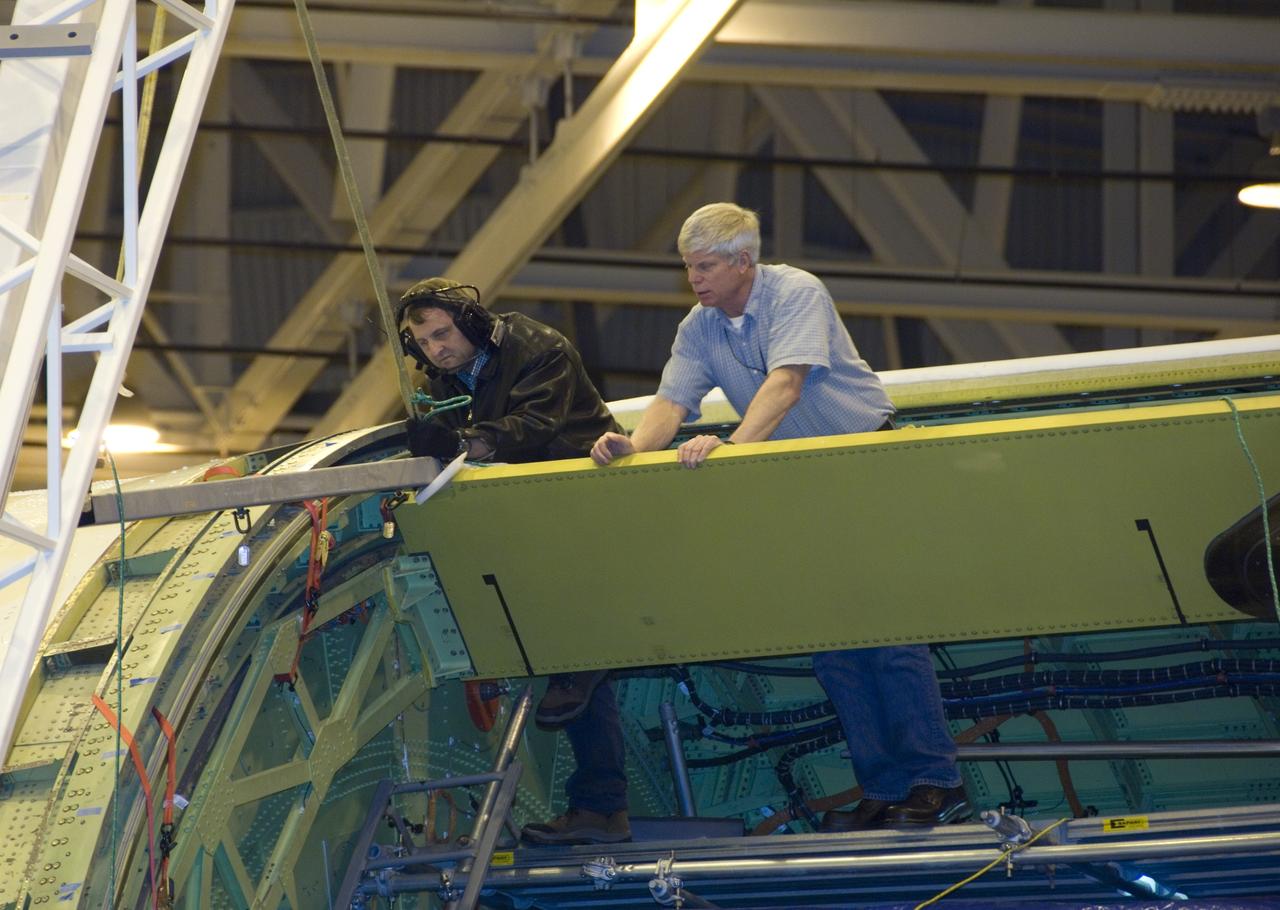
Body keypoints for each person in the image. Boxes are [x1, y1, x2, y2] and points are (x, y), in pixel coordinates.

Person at [590, 203, 970, 832]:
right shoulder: (701, 324)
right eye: (688, 267)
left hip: (864, 462)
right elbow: (671, 401)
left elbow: (786, 383)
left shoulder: (796, 292)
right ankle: (883, 787)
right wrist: (632, 445)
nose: (695, 280)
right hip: (798, 482)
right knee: (833, 649)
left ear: (745, 262)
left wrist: (733, 449)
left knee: (892, 638)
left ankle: (937, 782)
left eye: (705, 266)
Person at [396, 278, 631, 845]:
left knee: (574, 670)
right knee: (573, 678)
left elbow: (534, 427)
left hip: (587, 502)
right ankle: (601, 810)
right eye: (424, 342)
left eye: (443, 333)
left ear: (472, 323)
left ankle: (600, 800)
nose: (436, 350)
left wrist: (461, 443)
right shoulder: (454, 377)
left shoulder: (538, 346)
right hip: (535, 516)